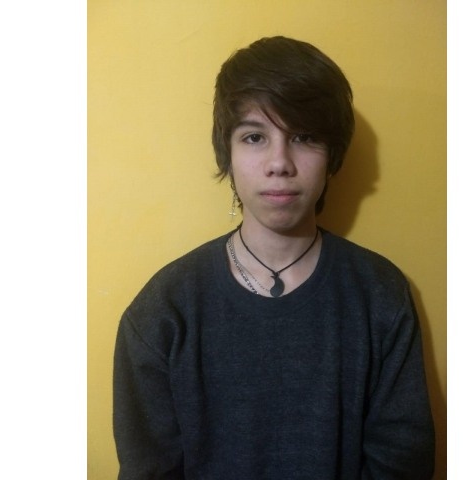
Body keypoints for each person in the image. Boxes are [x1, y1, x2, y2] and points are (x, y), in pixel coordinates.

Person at [113, 36, 435, 479]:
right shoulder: (164, 309)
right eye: (254, 137)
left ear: (332, 155)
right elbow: (148, 469)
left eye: (304, 137)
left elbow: (403, 462)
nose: (279, 162)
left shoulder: (380, 294)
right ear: (227, 153)